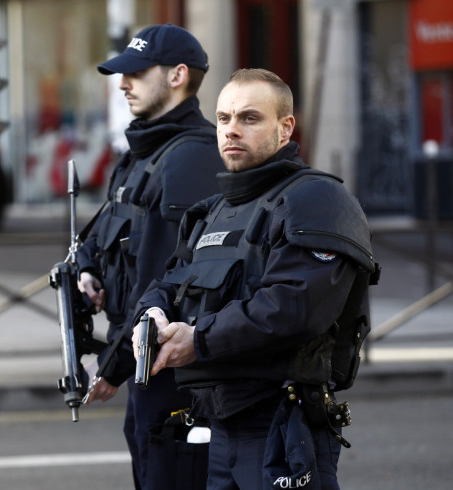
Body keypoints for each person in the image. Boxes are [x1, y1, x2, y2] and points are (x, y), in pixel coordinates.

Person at [132, 68, 379, 489]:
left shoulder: (318, 200)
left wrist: (198, 340)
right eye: (224, 118)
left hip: (281, 424)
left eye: (249, 118)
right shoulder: (215, 210)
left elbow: (291, 308)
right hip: (219, 425)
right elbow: (169, 284)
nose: (231, 130)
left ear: (285, 128)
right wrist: (152, 315)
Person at [75, 24, 224, 489]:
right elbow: (101, 236)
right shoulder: (141, 153)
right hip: (141, 365)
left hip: (168, 373)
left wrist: (113, 365)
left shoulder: (191, 157)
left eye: (136, 74)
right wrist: (87, 273)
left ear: (178, 75)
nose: (123, 84)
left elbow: (166, 278)